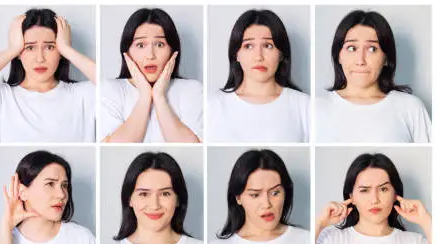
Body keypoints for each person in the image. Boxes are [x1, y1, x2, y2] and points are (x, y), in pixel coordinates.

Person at [315, 153, 432, 244]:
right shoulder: (331, 239)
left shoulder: (415, 243)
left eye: (383, 189)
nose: (374, 199)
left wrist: (427, 222)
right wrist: (319, 223)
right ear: (351, 196)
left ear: (395, 194)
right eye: (364, 190)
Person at [316, 10, 431, 143]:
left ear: (386, 58)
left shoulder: (410, 108)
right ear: (339, 56)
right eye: (352, 48)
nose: (360, 60)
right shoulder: (316, 108)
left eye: (372, 49)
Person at [208, 149, 310, 244]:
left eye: (275, 193)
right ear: (238, 198)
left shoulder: (306, 242)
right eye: (255, 195)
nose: (267, 204)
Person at [101, 151, 203, 244]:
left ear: (178, 199)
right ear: (129, 199)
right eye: (144, 194)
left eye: (165, 193)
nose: (155, 205)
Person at [0, 8, 95, 142]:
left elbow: (108, 88)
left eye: (50, 47)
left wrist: (67, 49)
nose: (40, 58)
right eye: (30, 47)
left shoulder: (83, 95)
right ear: (18, 54)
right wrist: (12, 49)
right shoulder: (0, 96)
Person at [100, 8, 202, 143]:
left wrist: (159, 97)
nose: (150, 55)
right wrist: (145, 96)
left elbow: (193, 147)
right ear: (127, 52)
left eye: (160, 44)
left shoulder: (191, 89)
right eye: (140, 45)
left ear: (173, 50)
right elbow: (114, 147)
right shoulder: (110, 90)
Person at [207, 9, 309, 143]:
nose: (258, 56)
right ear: (236, 54)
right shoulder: (212, 106)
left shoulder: (304, 106)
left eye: (268, 45)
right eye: (248, 46)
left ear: (281, 54)